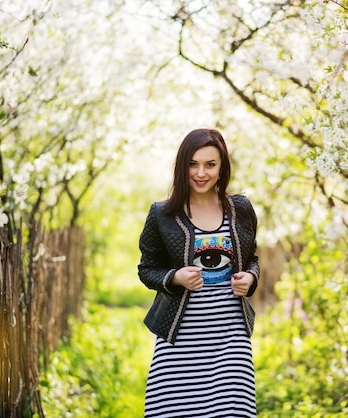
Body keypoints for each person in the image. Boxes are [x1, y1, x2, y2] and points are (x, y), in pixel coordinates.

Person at [138, 128, 259, 417]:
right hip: (180, 341)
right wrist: (175, 277)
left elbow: (252, 258)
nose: (201, 172)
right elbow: (147, 270)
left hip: (230, 340)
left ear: (222, 167)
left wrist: (251, 278)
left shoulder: (240, 209)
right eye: (193, 164)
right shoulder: (162, 214)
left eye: (210, 164)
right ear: (183, 166)